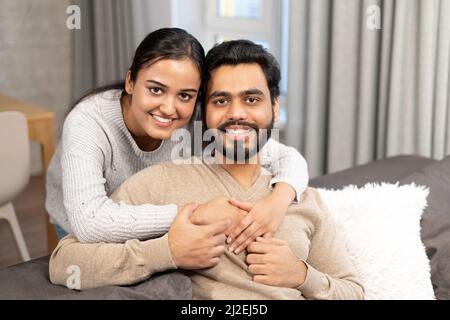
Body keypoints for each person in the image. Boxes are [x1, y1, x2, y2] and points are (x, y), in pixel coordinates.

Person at [49, 40, 364, 300]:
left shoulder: (303, 198)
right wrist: (168, 251)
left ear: (274, 108)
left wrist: (302, 275)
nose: (237, 113)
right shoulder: (156, 185)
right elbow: (65, 263)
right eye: (221, 100)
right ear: (204, 113)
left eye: (252, 99)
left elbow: (354, 292)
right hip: (84, 210)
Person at [45, 28, 309, 252]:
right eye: (156, 90)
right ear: (130, 81)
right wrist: (196, 213)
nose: (169, 109)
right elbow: (90, 223)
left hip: (153, 216)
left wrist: (277, 202)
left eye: (185, 95)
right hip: (80, 222)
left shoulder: (197, 118)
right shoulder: (88, 121)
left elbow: (285, 156)